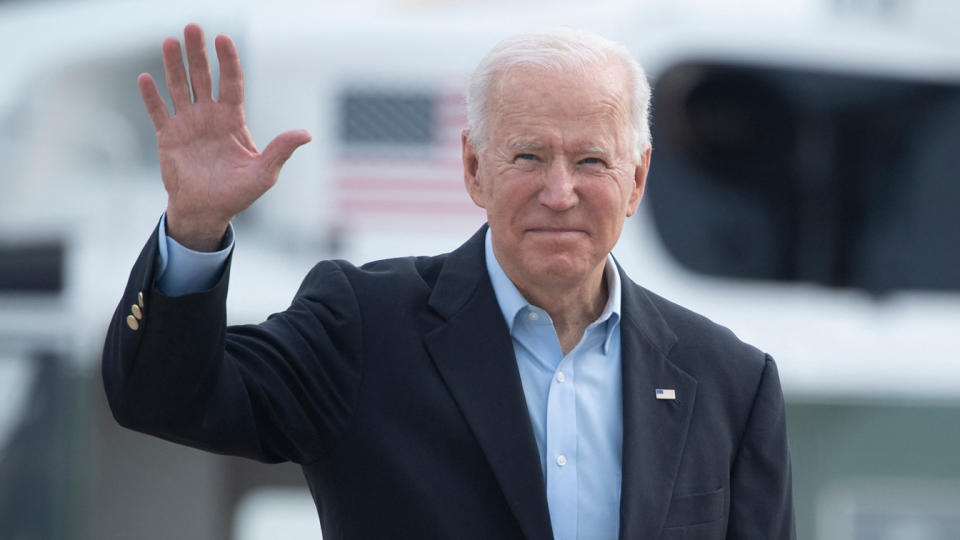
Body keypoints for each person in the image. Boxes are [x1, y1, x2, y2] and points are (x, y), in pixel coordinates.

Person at [103, 23, 795, 540]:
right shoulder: (363, 327)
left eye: (591, 160)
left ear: (637, 178)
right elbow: (164, 398)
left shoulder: (732, 383)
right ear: (473, 169)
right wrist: (192, 228)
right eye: (528, 155)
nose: (561, 192)